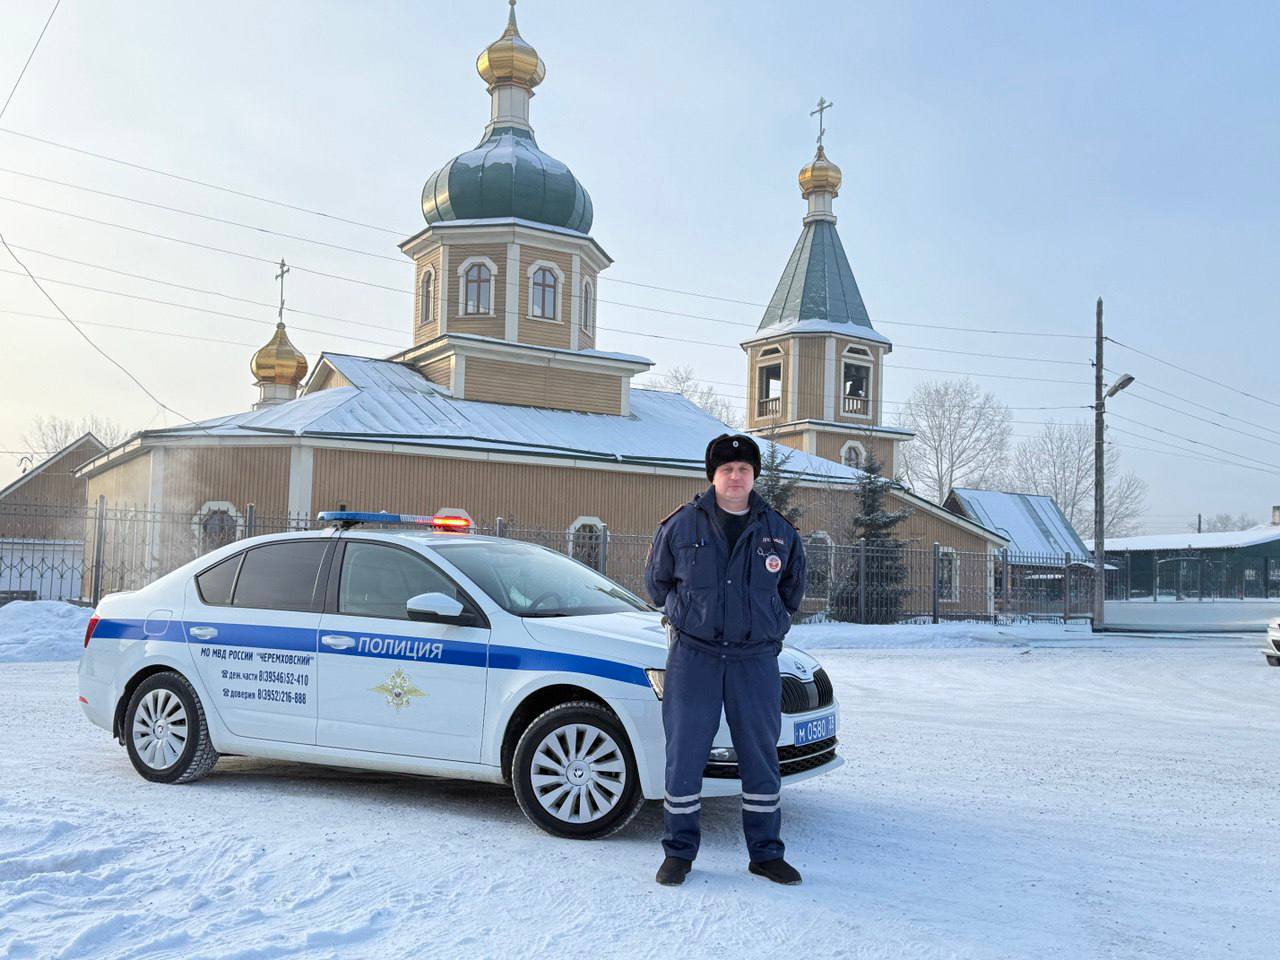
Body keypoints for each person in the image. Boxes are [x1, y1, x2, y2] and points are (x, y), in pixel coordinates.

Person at [643, 432, 807, 886]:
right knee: (685, 754)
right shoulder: (679, 527)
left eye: (744, 470)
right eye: (726, 470)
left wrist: (763, 619)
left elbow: (791, 592)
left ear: (754, 475)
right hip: (694, 655)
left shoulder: (778, 531)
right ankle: (678, 852)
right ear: (712, 476)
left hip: (754, 659)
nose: (736, 477)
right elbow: (656, 586)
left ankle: (766, 854)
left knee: (759, 755)